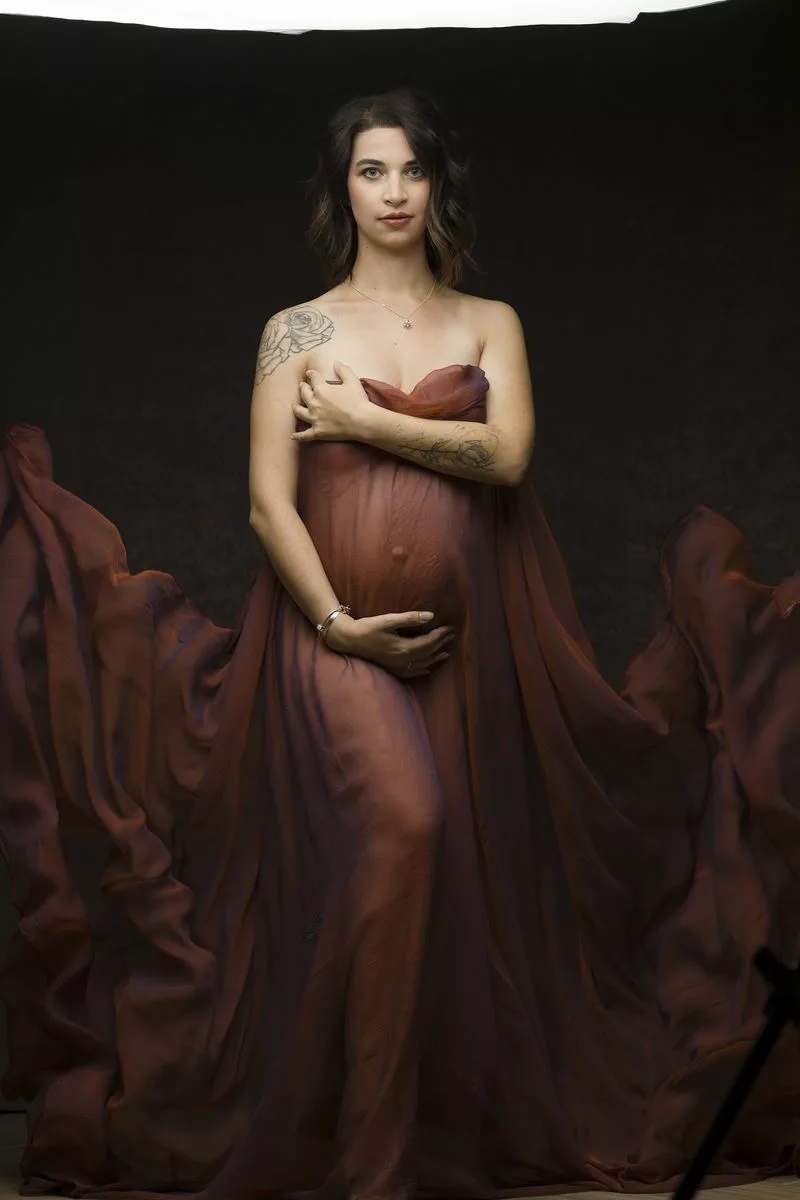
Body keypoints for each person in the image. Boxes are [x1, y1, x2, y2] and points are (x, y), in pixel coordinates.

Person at [0, 88, 798, 1200]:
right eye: (368, 172)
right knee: (403, 825)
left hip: (467, 661)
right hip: (327, 639)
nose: (389, 193)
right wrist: (339, 624)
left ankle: (405, 1139)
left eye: (408, 171)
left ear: (437, 185)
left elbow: (509, 459)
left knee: (445, 881)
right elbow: (269, 506)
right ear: (343, 190)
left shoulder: (490, 322)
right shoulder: (297, 330)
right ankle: (369, 1174)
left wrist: (363, 423)